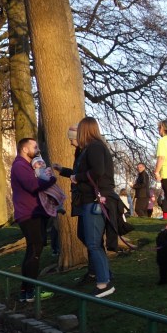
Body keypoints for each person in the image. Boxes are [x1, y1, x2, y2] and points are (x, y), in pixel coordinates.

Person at [55, 117, 117, 298]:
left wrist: (77, 178)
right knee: (85, 236)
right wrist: (66, 172)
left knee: (92, 242)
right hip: (86, 199)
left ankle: (103, 283)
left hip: (94, 200)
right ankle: (104, 273)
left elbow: (97, 172)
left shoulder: (96, 147)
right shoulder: (89, 149)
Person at [10, 137, 56, 304]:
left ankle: (27, 291)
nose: (37, 149)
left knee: (34, 250)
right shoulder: (19, 166)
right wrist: (51, 179)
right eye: (34, 146)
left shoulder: (27, 165)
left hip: (35, 212)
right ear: (24, 149)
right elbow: (33, 185)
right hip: (29, 214)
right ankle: (29, 291)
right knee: (34, 251)